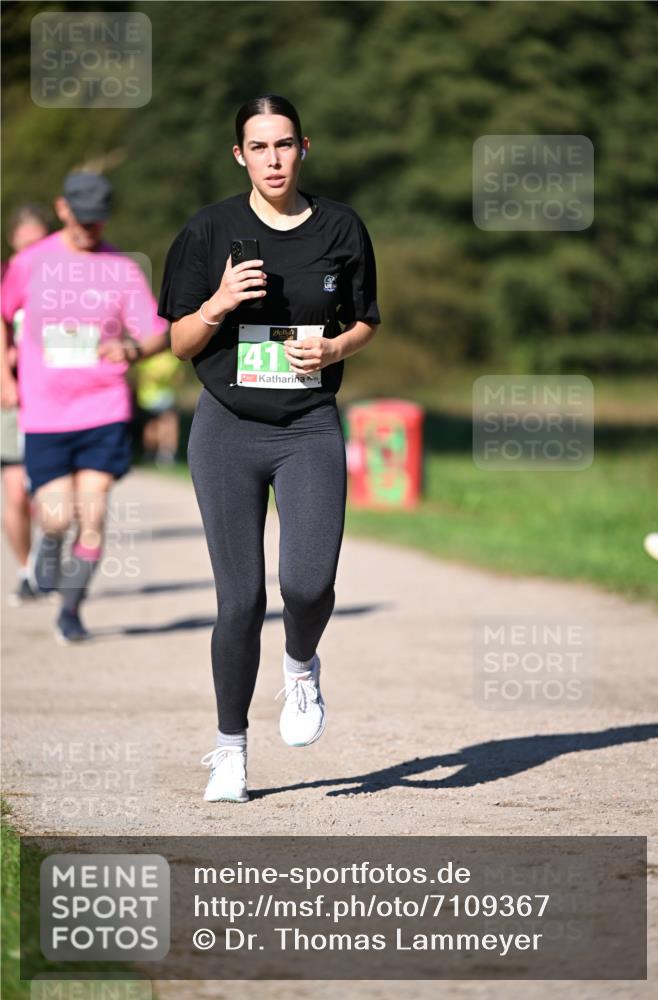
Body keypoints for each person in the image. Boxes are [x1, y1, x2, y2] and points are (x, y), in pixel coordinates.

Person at [158, 93, 381, 803]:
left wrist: (336, 348)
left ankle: (301, 665)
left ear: (302, 148)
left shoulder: (341, 226)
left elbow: (365, 320)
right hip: (227, 427)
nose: (273, 159)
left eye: (284, 144)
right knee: (240, 600)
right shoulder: (209, 230)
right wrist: (219, 302)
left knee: (309, 585)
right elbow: (179, 342)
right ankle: (230, 751)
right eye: (259, 147)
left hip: (308, 424)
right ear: (240, 155)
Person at [1, 172, 169, 642]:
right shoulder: (30, 263)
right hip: (45, 412)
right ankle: (49, 544)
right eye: (82, 219)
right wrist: (4, 377)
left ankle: (71, 611)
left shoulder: (121, 268)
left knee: (91, 516)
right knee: (57, 516)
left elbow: (158, 332)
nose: (90, 229)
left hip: (103, 407)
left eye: (98, 220)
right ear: (62, 209)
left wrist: (132, 349)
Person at [1, 204, 51, 605]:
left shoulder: (62, 279)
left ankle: (46, 562)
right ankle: (26, 570)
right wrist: (5, 377)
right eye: (27, 244)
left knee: (49, 496)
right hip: (14, 397)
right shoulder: (7, 277)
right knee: (17, 493)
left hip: (54, 399)